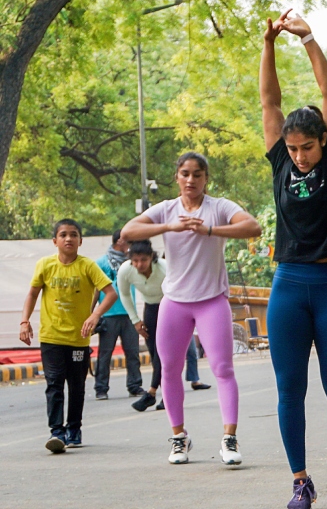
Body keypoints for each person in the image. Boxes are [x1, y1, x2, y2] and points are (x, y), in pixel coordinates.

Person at [260, 10, 327, 509]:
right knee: (289, 388)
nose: (299, 156)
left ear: (324, 141)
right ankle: (300, 480)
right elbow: (270, 101)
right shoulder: (281, 158)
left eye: (307, 147)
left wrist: (308, 40)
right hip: (288, 284)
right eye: (293, 148)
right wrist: (268, 46)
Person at [121, 153, 262, 466]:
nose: (190, 180)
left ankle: (229, 438)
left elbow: (253, 228)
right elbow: (128, 232)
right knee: (170, 369)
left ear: (205, 178)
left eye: (197, 174)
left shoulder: (219, 207)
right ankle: (179, 438)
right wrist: (170, 226)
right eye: (185, 173)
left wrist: (210, 231)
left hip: (212, 300)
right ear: (176, 177)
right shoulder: (167, 210)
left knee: (223, 368)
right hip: (175, 302)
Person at [18, 219, 117, 453]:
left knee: (76, 385)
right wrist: (24, 321)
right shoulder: (45, 265)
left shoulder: (88, 266)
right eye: (63, 235)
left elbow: (110, 293)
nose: (68, 239)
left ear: (80, 241)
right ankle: (56, 432)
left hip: (78, 339)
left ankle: (74, 428)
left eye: (73, 235)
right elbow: (32, 294)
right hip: (51, 337)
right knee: (54, 384)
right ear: (55, 241)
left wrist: (95, 316)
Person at [120, 242, 207, 413]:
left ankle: (152, 392)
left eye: (143, 260)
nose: (139, 265)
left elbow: (183, 289)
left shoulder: (165, 268)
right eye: (135, 261)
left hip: (171, 307)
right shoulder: (126, 270)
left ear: (152, 257)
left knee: (164, 353)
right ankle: (166, 395)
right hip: (150, 308)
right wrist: (135, 320)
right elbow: (124, 293)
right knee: (154, 353)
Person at [91, 230, 142, 400]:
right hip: (108, 315)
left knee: (132, 352)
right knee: (105, 354)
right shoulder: (101, 263)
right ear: (120, 241)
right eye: (129, 242)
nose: (131, 246)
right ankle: (101, 388)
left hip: (129, 314)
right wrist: (91, 314)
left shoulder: (132, 263)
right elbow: (95, 290)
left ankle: (135, 386)